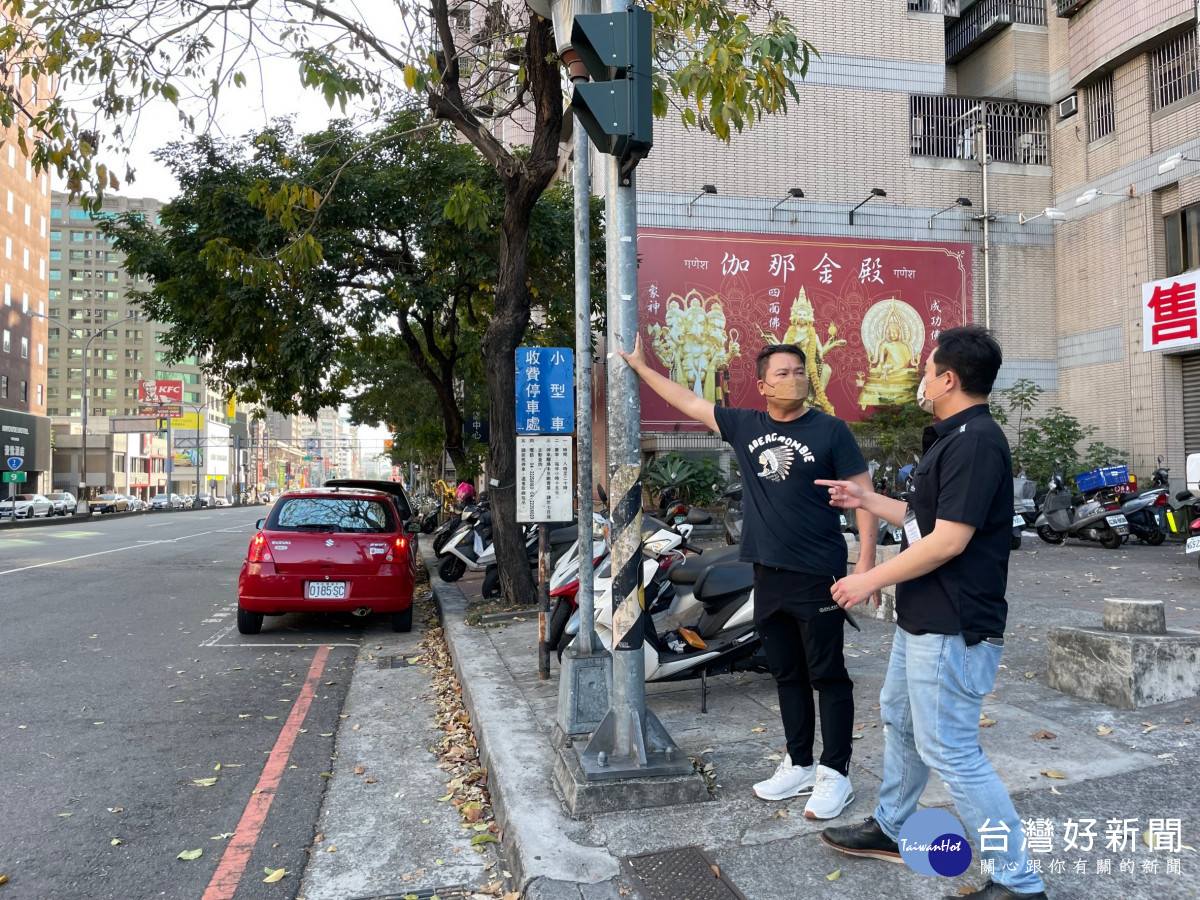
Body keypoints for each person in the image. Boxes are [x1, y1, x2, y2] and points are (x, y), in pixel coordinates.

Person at [816, 326, 1049, 900]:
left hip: (953, 625)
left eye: (925, 368)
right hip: (925, 619)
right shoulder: (954, 439)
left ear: (948, 378)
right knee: (899, 717)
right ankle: (893, 828)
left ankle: (1018, 880)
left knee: (951, 750)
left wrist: (866, 577)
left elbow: (948, 542)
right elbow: (923, 521)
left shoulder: (975, 442)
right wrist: (865, 499)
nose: (920, 376)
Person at [619, 336, 878, 819]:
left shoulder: (831, 431)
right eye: (783, 373)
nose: (795, 378)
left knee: (828, 675)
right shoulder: (745, 424)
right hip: (766, 574)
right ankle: (799, 763)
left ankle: (835, 773)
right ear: (762, 385)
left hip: (818, 572)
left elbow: (863, 497)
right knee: (786, 673)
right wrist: (641, 368)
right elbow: (689, 400)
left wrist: (865, 565)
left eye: (800, 370)